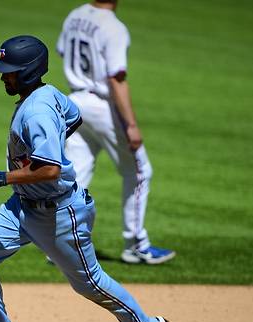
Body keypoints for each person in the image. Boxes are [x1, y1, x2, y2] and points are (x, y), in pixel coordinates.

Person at [0, 35, 167, 322]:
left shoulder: (38, 109)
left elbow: (51, 169)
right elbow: (73, 118)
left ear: (27, 72)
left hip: (58, 213)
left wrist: (3, 177)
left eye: (9, 72)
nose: (3, 77)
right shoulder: (47, 95)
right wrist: (45, 149)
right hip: (22, 208)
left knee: (89, 283)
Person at [56, 0, 175, 264]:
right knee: (139, 170)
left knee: (76, 173)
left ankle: (62, 244)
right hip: (102, 107)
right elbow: (115, 78)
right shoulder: (114, 28)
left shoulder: (74, 15)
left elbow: (64, 51)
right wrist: (131, 124)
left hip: (74, 103)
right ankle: (136, 245)